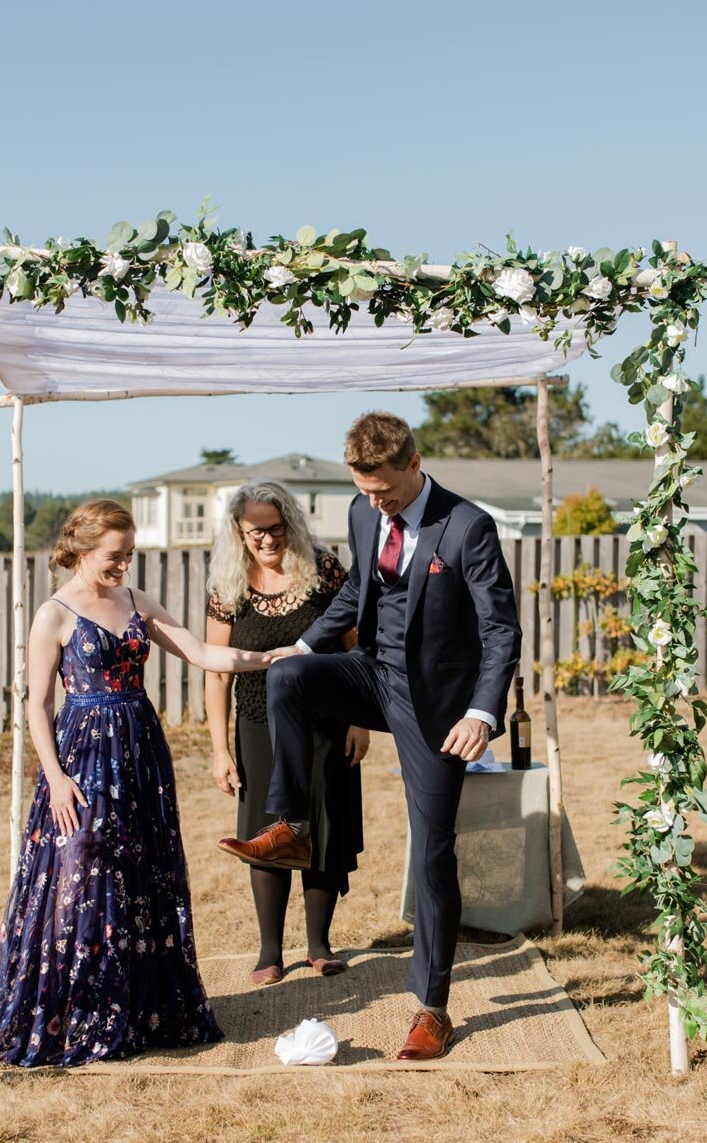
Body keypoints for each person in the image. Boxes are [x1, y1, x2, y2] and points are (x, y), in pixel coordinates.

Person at [218, 413, 522, 1062]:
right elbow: (358, 587)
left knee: (432, 852)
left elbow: (500, 629)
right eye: (363, 489)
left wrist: (481, 713)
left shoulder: (467, 526)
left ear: (413, 464)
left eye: (382, 490)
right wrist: (302, 644)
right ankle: (293, 827)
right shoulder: (362, 513)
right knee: (290, 677)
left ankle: (430, 1009)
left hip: (436, 705)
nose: (373, 501)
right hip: (372, 672)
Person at [0, 498, 272, 1068]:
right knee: (80, 867)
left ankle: (139, 1008)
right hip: (81, 755)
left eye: (129, 555)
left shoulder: (137, 602)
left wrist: (271, 658)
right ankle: (76, 1007)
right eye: (114, 555)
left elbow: (204, 652)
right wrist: (55, 779)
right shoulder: (54, 613)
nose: (123, 566)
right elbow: (35, 705)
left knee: (141, 870)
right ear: (82, 549)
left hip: (140, 751)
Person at [207, 481, 368, 986]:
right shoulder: (227, 585)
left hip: (327, 723)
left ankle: (320, 945)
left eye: (276, 528)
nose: (268, 539)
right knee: (266, 834)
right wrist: (219, 748)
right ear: (239, 530)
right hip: (257, 726)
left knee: (321, 828)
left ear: (291, 524)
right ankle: (270, 952)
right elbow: (217, 670)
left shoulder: (323, 569)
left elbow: (357, 646)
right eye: (257, 531)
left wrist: (361, 719)